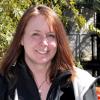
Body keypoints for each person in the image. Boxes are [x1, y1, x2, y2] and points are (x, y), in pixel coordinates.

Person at [0, 4, 98, 100]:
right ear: (21, 39)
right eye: (35, 34)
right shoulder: (3, 84)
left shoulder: (81, 84)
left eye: (50, 35)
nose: (44, 42)